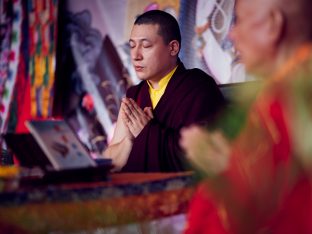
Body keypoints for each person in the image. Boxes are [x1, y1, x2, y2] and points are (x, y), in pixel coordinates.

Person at [180, 0, 312, 233]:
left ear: (272, 25)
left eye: (239, 20)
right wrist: (226, 162)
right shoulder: (277, 95)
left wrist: (223, 174)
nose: (232, 34)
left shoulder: (290, 101)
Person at [103, 10, 225, 172]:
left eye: (146, 45)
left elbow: (206, 158)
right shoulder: (135, 95)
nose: (136, 55)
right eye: (132, 46)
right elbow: (109, 162)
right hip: (136, 192)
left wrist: (147, 132)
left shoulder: (198, 87)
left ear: (173, 48)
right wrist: (130, 141)